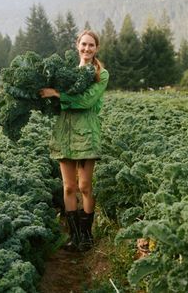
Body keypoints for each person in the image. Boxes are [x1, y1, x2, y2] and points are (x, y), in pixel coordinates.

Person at [40, 30, 109, 252]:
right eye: (83, 44)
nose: (87, 49)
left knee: (85, 186)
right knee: (69, 187)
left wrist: (58, 95)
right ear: (77, 45)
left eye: (91, 45)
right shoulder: (66, 72)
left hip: (86, 133)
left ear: (96, 48)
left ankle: (87, 236)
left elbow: (87, 102)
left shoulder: (101, 73)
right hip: (64, 133)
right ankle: (74, 237)